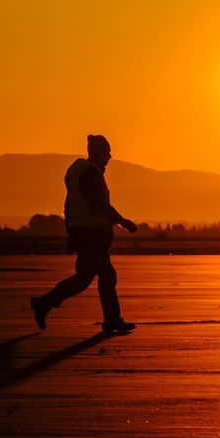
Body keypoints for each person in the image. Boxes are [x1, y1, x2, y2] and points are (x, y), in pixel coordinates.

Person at [30, 134, 139, 334]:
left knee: (107, 276)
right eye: (107, 152)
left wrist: (71, 232)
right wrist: (124, 222)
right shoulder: (91, 174)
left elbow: (69, 204)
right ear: (97, 153)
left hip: (85, 234)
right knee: (83, 279)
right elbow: (101, 206)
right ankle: (43, 303)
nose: (110, 157)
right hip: (92, 236)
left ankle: (112, 320)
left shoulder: (77, 170)